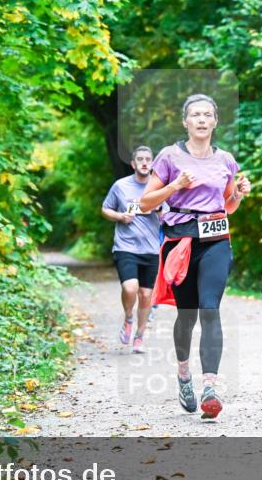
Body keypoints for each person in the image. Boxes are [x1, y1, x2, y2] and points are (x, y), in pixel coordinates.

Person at [140, 94, 251, 419]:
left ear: (215, 121)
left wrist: (238, 195)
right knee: (187, 315)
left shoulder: (226, 159)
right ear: (185, 121)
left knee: (210, 309)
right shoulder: (169, 156)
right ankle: (184, 374)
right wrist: (175, 185)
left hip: (216, 241)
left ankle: (210, 388)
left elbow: (228, 206)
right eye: (195, 115)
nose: (202, 120)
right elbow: (145, 203)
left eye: (207, 115)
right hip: (180, 241)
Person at [101, 146, 165, 353]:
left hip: (151, 249)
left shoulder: (159, 188)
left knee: (146, 296)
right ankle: (128, 318)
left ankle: (139, 336)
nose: (144, 162)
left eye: (148, 159)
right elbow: (105, 209)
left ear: (153, 164)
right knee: (130, 288)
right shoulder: (120, 186)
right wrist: (120, 216)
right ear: (133, 164)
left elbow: (168, 216)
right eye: (140, 159)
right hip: (125, 246)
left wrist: (160, 209)